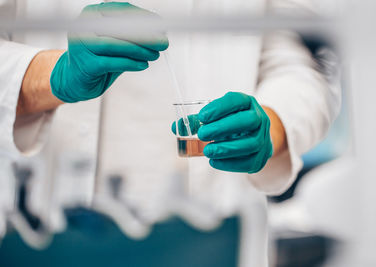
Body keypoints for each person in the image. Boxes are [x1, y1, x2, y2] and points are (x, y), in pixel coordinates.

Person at [0, 0, 340, 263]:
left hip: (210, 239)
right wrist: (44, 75)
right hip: (37, 230)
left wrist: (273, 123)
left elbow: (302, 55)